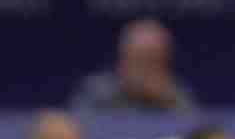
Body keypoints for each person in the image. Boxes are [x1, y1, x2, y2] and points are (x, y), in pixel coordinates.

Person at [69, 18, 198, 111]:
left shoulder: (176, 95)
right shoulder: (96, 90)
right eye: (139, 59)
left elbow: (196, 133)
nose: (145, 69)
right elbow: (76, 128)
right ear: (123, 58)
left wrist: (166, 101)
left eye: (153, 60)